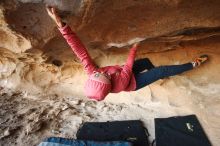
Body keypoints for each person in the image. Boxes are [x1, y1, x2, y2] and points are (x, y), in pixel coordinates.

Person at [46, 7, 208, 101]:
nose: (104, 73)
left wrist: (62, 26)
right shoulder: (120, 85)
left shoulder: (93, 72)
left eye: (100, 73)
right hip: (134, 82)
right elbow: (128, 67)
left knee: (145, 62)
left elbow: (79, 50)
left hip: (125, 71)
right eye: (107, 77)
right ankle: (192, 64)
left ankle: (156, 73)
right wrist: (133, 49)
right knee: (161, 71)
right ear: (109, 86)